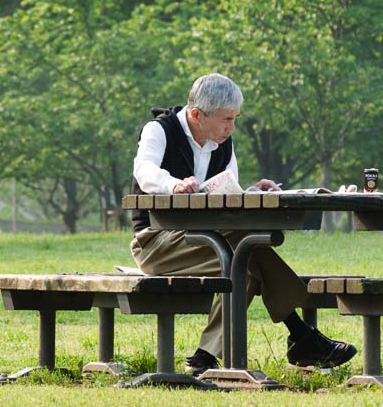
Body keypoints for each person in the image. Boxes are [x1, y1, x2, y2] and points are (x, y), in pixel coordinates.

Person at [129, 73, 357, 376]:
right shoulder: (159, 130)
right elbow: (144, 171)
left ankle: (205, 358)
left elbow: (227, 190)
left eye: (234, 119)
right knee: (245, 250)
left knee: (245, 265)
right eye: (226, 120)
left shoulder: (223, 141)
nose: (231, 127)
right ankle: (301, 334)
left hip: (208, 239)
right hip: (156, 243)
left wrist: (249, 192)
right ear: (197, 115)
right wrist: (173, 185)